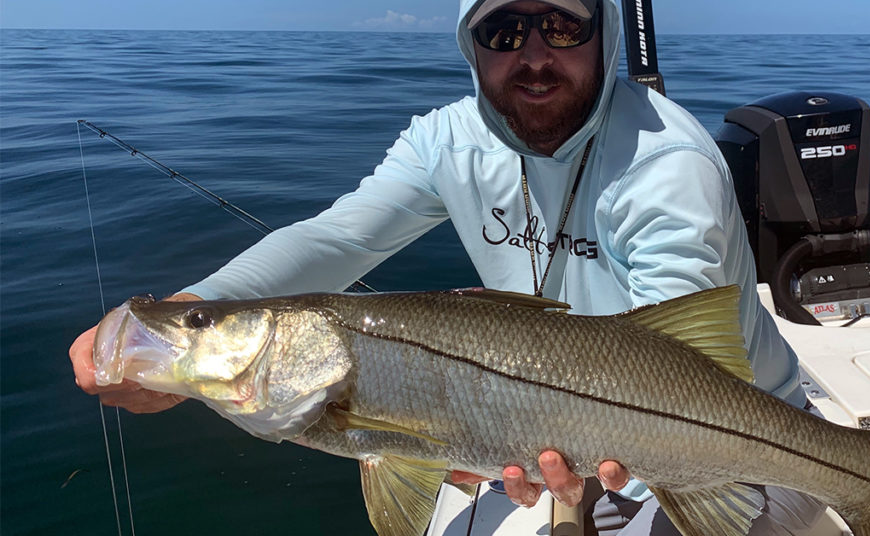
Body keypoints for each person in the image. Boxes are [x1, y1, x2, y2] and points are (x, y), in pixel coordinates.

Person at [70, 0, 820, 533]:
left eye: (563, 25)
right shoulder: (445, 140)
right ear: (471, 43)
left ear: (606, 33)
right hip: (548, 421)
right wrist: (195, 303)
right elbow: (337, 239)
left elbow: (684, 371)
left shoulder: (668, 165)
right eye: (504, 30)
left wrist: (545, 439)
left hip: (745, 448)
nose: (534, 54)